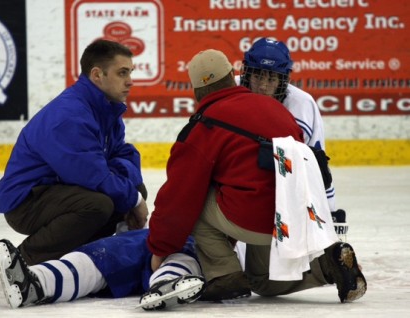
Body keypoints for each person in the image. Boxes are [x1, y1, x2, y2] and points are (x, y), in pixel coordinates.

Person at [146, 49, 366, 303]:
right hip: (291, 216)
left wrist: (160, 249)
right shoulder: (276, 108)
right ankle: (327, 267)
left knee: (194, 200)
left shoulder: (203, 125)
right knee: (263, 281)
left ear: (195, 90)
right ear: (233, 75)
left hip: (250, 218)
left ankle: (225, 275)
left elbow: (177, 198)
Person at [0, 39, 148, 266]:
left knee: (129, 189)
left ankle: (85, 256)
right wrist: (133, 200)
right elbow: (93, 176)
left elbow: (124, 154)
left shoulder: (105, 109)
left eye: (130, 73)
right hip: (27, 201)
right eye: (122, 73)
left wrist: (133, 194)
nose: (130, 81)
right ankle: (21, 261)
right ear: (97, 75)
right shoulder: (70, 115)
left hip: (60, 190)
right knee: (99, 204)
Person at [238, 37, 348, 241]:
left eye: (271, 79)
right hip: (237, 193)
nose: (262, 85)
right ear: (247, 74)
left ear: (283, 80)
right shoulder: (230, 93)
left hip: (283, 195)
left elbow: (318, 168)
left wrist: (330, 215)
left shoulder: (302, 105)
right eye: (257, 76)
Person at [0, 229, 205, 310]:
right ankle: (35, 282)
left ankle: (166, 284)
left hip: (198, 239)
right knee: (102, 255)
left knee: (187, 251)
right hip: (152, 234)